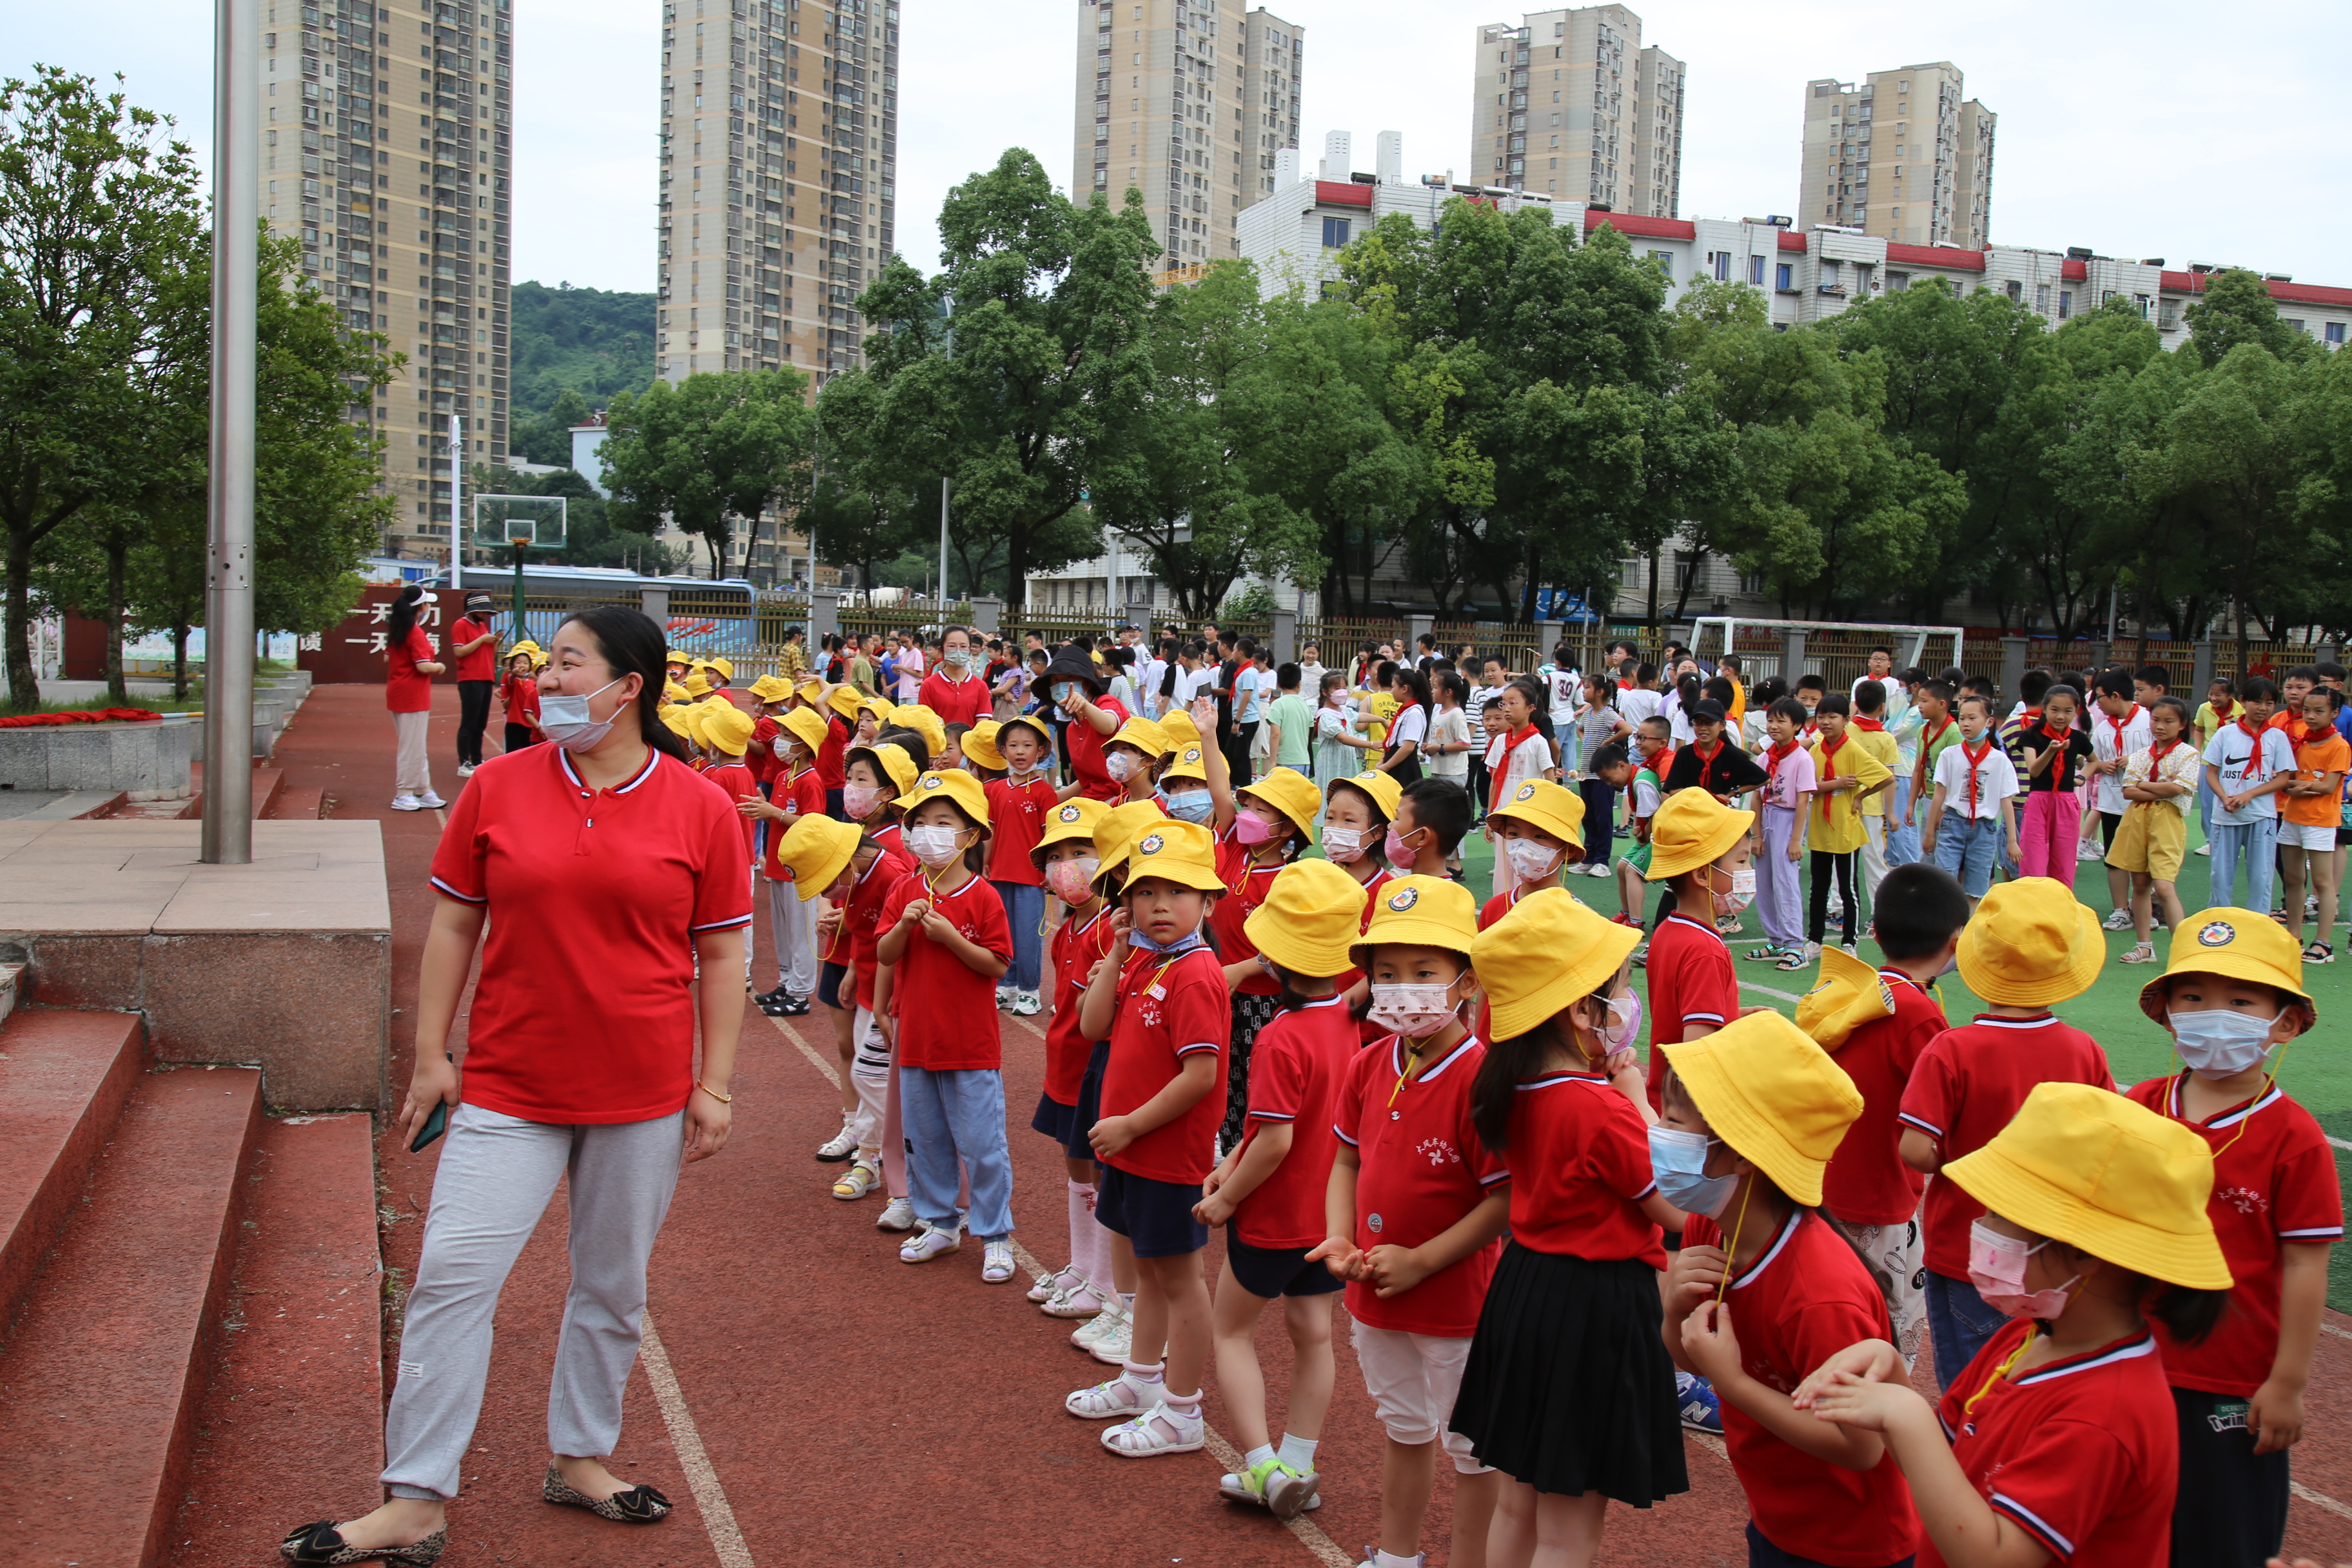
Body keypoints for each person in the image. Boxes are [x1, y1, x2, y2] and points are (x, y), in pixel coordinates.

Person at [279, 607, 749, 1565]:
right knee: (453, 1279)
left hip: (643, 1093)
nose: (547, 680)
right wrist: (430, 1054)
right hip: (508, 1085)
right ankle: (415, 1498)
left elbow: (723, 952)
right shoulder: (498, 785)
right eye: (547, 663)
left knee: (612, 1286)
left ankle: (580, 1459)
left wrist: (717, 1084)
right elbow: (455, 925)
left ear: (629, 687)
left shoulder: (698, 806)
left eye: (570, 664)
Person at [1794, 1081, 2232, 1568]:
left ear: (2084, 1252)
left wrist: (1907, 1417)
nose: (1980, 1225)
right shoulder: (2028, 1336)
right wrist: (1893, 1370)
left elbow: (1996, 1558)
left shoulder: (2105, 1414)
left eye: (2000, 1214)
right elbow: (1947, 1464)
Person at [1452, 891, 1688, 1562]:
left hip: (1527, 1289)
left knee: (1518, 1499)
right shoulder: (1599, 1108)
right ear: (1579, 1009)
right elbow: (1675, 1209)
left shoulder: (1507, 1087)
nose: (1625, 1001)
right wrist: (1639, 1099)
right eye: (1616, 989)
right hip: (1597, 1307)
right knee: (1571, 1522)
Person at [1658, 1010, 1921, 1568]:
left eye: (1674, 1121)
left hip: (1853, 1543)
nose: (1657, 1134)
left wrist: (1733, 1383)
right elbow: (1693, 1358)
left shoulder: (1820, 1296)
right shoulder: (1713, 1223)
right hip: (1778, 1516)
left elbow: (1863, 1444)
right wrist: (1673, 1310)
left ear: (1742, 1155)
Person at [2127, 914, 2336, 1568]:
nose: (2213, 1014)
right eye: (2193, 997)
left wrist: (2289, 1381)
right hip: (2126, 1362)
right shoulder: (2137, 1106)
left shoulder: (2294, 1137)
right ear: (2167, 1012)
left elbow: (2305, 1263)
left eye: (2241, 1000)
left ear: (2286, 1022)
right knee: (2127, 1530)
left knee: (2223, 1539)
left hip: (2233, 1382)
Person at [1313, 875, 1507, 1568]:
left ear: (1467, 980)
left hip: (1456, 1304)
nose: (1403, 988)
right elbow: (1344, 1161)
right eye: (1387, 973)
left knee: (1474, 1447)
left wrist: (1424, 1259)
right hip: (1375, 1293)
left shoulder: (1482, 1078)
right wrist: (1341, 1235)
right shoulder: (1368, 1063)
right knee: (1404, 1428)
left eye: (1424, 971)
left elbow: (1503, 1199)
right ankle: (1396, 1556)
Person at [1897, 877, 2114, 1391]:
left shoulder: (1953, 1049)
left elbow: (1915, 1150)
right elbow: (2103, 1145)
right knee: (2043, 1384)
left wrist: (1968, 1155)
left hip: (1967, 1249)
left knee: (1971, 1396)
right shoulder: (2083, 1051)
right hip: (2056, 1248)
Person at [1196, 860, 1363, 1516]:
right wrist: (1230, 1157)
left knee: (1231, 1329)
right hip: (1329, 1219)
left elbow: (1273, 1139)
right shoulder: (1352, 1025)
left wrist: (1226, 1195)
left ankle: (1263, 1463)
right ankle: (1299, 1459)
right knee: (1313, 1333)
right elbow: (1272, 1128)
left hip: (1270, 1219)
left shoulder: (1279, 1035)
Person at [1065, 820, 1231, 1458]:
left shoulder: (1195, 972)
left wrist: (1133, 1123)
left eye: (1178, 891)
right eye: (1146, 892)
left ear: (1208, 902)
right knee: (1152, 1276)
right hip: (1131, 1150)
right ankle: (1141, 1380)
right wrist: (1114, 954)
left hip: (1164, 1152)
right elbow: (1092, 1023)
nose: (1160, 905)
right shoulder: (1143, 960)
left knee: (1180, 1276)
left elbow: (1202, 1074)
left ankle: (1182, 1409)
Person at [1801, 865, 1967, 1367]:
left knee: (1830, 1312)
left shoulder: (1848, 990)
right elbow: (1944, 1110)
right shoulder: (1918, 1014)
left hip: (1822, 1183)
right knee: (1891, 1330)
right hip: (1882, 1197)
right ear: (1957, 941)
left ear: (1875, 931)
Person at [874, 770, 1017, 1279]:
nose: (926, 833)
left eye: (943, 822)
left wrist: (953, 938)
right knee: (926, 1138)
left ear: (971, 835)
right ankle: (940, 1221)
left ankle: (996, 1233)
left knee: (981, 1144)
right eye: (920, 823)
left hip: (970, 1045)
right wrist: (907, 924)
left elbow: (998, 964)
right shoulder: (905, 889)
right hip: (916, 1040)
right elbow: (884, 951)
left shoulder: (985, 896)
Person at [1026, 798, 1122, 1318]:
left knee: (1102, 1170)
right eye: (1056, 854)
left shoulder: (1113, 927)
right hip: (1065, 1067)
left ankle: (1106, 1281)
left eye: (1081, 851)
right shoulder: (1066, 930)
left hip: (1098, 1071)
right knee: (1076, 1167)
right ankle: (1084, 1266)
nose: (1067, 865)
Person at [1642, 790, 1752, 1118]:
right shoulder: (1705, 951)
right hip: (1692, 1117)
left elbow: (1681, 1015)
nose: (1748, 872)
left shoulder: (1668, 930)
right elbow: (1696, 1053)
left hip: (1664, 1099)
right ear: (1703, 875)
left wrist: (1734, 1017)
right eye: (1742, 861)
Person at [743, 705, 829, 1017]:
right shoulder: (783, 775)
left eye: (787, 736)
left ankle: (801, 992)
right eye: (781, 734)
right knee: (782, 928)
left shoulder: (810, 780)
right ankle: (786, 981)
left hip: (800, 868)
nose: (779, 741)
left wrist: (774, 813)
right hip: (780, 864)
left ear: (804, 745)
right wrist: (766, 806)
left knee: (800, 930)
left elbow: (812, 823)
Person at [1790, 694, 1888, 968]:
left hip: (1845, 826)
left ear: (1846, 720)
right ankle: (1815, 941)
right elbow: (1807, 785)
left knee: (1848, 888)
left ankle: (1849, 942)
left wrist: (1859, 797)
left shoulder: (1853, 750)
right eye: (1821, 716)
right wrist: (1835, 784)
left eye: (1833, 716)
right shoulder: (1816, 750)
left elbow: (1886, 777)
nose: (1825, 722)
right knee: (1818, 888)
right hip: (1821, 827)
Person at [2110, 695, 2200, 965]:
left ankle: (2186, 950)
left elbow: (2178, 789)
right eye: (2156, 720)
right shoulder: (2140, 755)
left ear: (2183, 725)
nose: (2160, 726)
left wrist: (2145, 786)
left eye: (2168, 721)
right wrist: (2161, 785)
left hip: (2167, 821)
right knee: (2139, 884)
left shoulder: (2189, 754)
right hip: (2138, 820)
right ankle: (2144, 946)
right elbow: (2128, 791)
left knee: (2163, 887)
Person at [983, 714, 1058, 1015]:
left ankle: (1029, 990)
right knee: (1004, 933)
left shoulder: (1044, 792)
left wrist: (1050, 872)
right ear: (1003, 750)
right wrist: (985, 864)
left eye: (1028, 745)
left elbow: (1051, 837)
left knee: (1028, 936)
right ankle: (1007, 985)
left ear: (1040, 750)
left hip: (1031, 877)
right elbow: (990, 832)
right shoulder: (996, 790)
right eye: (1013, 744)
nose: (1020, 751)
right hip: (999, 873)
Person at [1921, 693, 2021, 914]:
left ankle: (1966, 931)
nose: (1965, 723)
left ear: (1989, 722)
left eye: (1972, 718)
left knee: (1976, 886)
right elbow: (1939, 794)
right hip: (1952, 823)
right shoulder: (1950, 755)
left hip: (1984, 828)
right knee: (1945, 880)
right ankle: (1949, 929)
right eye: (1962, 718)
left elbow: (2007, 801)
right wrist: (1930, 833)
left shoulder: (2000, 760)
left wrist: (2012, 841)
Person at [2204, 676, 2295, 914]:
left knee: (2261, 877)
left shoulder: (2277, 737)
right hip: (2226, 816)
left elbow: (2284, 778)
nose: (2263, 708)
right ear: (2243, 701)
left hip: (2261, 815)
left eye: (2270, 703)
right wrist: (2225, 798)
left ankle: (2258, 924)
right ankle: (2219, 923)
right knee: (2220, 876)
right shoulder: (2226, 734)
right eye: (2257, 701)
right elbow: (2211, 773)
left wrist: (2250, 795)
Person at [2278, 685, 2347, 963]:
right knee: (2293, 879)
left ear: (2334, 713)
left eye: (2319, 711)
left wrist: (2298, 786)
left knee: (2322, 882)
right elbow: (2288, 777)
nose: (2310, 716)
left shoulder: (2339, 745)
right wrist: (2300, 786)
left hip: (2320, 821)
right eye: (2307, 710)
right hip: (2293, 817)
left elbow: (2329, 786)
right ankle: (2293, 937)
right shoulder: (2300, 741)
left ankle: (2323, 944)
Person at [2085, 669, 2156, 932]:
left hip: (2143, 802)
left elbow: (2162, 752)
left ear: (2116, 696)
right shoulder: (2103, 728)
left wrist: (2135, 760)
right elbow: (2093, 760)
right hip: (2112, 801)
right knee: (2115, 857)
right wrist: (2103, 765)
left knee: (2143, 857)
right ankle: (2120, 910)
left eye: (2100, 698)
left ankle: (2143, 907)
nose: (2098, 704)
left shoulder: (2149, 721)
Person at [1747, 698, 1816, 965]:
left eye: (1781, 721)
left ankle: (1795, 944)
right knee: (1764, 883)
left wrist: (1796, 840)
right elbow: (1756, 796)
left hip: (1788, 820)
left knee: (1786, 883)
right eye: (1771, 720)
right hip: (1766, 818)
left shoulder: (1802, 759)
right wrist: (1756, 835)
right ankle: (1776, 940)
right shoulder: (1765, 756)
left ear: (1797, 725)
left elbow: (1802, 802)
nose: (1773, 726)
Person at [1483, 679, 1558, 901]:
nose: (1506, 708)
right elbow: (1495, 781)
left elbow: (1550, 780)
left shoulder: (1537, 742)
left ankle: (1524, 907)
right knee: (1503, 866)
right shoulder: (1499, 742)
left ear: (1530, 708)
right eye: (1503, 704)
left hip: (1528, 816)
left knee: (1525, 866)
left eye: (1512, 703)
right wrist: (1490, 814)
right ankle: (1502, 908)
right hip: (1504, 815)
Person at [1480, 778, 1587, 930]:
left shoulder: (1581, 919)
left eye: (1540, 836)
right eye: (1513, 834)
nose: (1522, 846)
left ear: (1569, 850)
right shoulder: (1493, 908)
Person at [383, 583, 447, 812]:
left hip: (401, 692)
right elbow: (423, 666)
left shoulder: (398, 630)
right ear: (422, 607)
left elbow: (386, 659)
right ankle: (404, 792)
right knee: (411, 747)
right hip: (412, 695)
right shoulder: (415, 632)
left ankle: (423, 788)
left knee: (415, 745)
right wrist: (439, 666)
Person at [1849, 680, 1903, 903]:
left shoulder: (1845, 730)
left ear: (1856, 704)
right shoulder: (1886, 738)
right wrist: (1890, 813)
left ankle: (1837, 908)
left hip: (1846, 804)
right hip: (1872, 808)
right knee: (1875, 860)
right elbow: (1889, 779)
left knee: (1842, 861)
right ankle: (1882, 908)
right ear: (1883, 708)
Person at [449, 590, 500, 777]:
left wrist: (495, 642)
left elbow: (489, 654)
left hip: (486, 678)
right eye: (483, 612)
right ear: (474, 610)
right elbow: (459, 652)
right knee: (469, 722)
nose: (486, 615)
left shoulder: (482, 627)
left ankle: (477, 760)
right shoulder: (460, 625)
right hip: (470, 679)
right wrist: (482, 640)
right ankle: (464, 762)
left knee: (480, 724)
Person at [917, 623, 992, 728]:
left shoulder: (980, 686)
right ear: (941, 650)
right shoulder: (929, 685)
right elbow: (926, 723)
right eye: (952, 646)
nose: (958, 651)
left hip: (969, 743)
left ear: (970, 650)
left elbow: (982, 725)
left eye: (963, 646)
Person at [1426, 670, 1475, 789]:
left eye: (1436, 688)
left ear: (1448, 692)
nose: (1432, 691)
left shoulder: (1456, 714)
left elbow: (1465, 744)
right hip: (1439, 769)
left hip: (1453, 773)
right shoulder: (1438, 713)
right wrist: (1430, 748)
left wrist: (1439, 748)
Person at [1264, 662, 1313, 777]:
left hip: (1285, 761)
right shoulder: (1305, 705)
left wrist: (1272, 761)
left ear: (1279, 684)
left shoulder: (1278, 704)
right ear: (1299, 684)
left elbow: (1275, 734)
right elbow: (1309, 733)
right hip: (1304, 760)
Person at [498, 645, 542, 754]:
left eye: (525, 663)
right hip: (514, 722)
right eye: (518, 663)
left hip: (529, 725)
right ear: (512, 666)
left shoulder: (533, 684)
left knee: (526, 752)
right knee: (511, 753)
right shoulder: (514, 682)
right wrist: (513, 674)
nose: (522, 666)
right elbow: (509, 680)